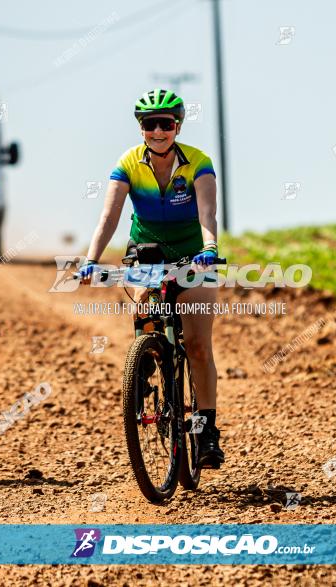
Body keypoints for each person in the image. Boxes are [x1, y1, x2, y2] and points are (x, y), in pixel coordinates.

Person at [79, 88, 224, 468]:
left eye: (166, 124)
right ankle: (145, 358)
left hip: (194, 255)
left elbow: (208, 213)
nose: (158, 131)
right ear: (141, 128)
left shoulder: (198, 162)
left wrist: (210, 247)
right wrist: (91, 259)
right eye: (150, 124)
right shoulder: (128, 163)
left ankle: (206, 429)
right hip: (147, 252)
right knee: (143, 299)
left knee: (197, 345)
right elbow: (108, 218)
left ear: (177, 126)